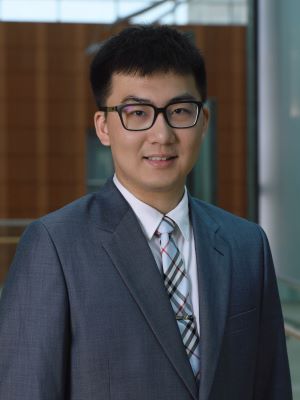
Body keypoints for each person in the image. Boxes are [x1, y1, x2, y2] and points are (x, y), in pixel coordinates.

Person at [0, 25, 292, 400]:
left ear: (203, 122)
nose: (162, 134)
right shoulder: (54, 246)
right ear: (104, 127)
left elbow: (271, 387)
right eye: (137, 113)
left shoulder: (247, 244)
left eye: (180, 111)